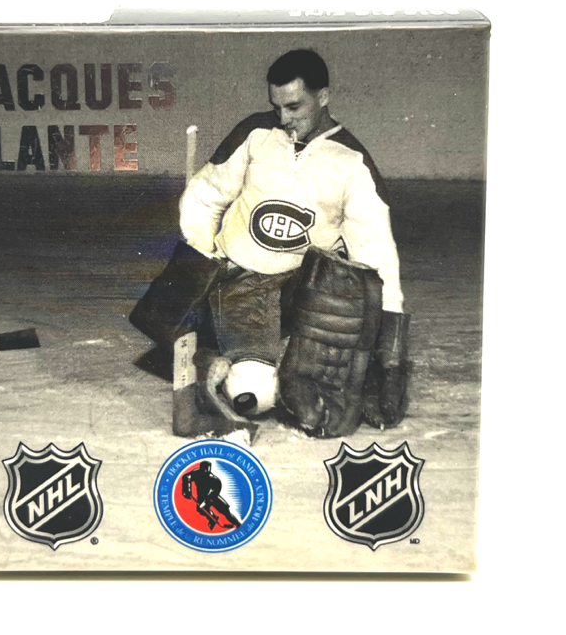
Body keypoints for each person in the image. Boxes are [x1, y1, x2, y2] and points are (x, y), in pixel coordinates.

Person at [131, 49, 409, 438]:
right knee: (254, 395)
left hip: (306, 292)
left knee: (337, 329)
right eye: (276, 106)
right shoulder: (254, 133)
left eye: (294, 106)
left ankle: (225, 352)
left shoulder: (353, 162)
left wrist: (390, 356)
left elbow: (376, 254)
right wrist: (202, 261)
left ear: (323, 96)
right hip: (244, 283)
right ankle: (215, 360)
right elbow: (204, 196)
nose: (284, 118)